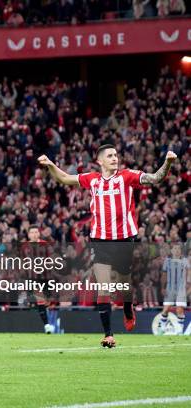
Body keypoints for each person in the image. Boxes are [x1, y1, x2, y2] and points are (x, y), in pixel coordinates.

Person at [38, 145, 177, 348]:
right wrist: (51, 165)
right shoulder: (92, 179)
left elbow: (155, 178)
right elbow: (65, 179)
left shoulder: (127, 176)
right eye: (110, 156)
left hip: (123, 240)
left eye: (116, 155)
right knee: (103, 287)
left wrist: (168, 163)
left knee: (124, 285)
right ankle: (108, 335)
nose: (115, 158)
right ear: (100, 161)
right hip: (100, 240)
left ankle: (128, 308)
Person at [158, 244, 188, 335]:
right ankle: (162, 326)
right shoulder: (167, 261)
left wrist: (188, 285)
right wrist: (162, 287)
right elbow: (164, 275)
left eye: (178, 248)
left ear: (181, 251)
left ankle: (180, 330)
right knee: (166, 308)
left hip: (181, 288)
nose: (177, 250)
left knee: (180, 308)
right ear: (172, 251)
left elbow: (188, 273)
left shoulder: (185, 261)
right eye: (175, 248)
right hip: (169, 288)